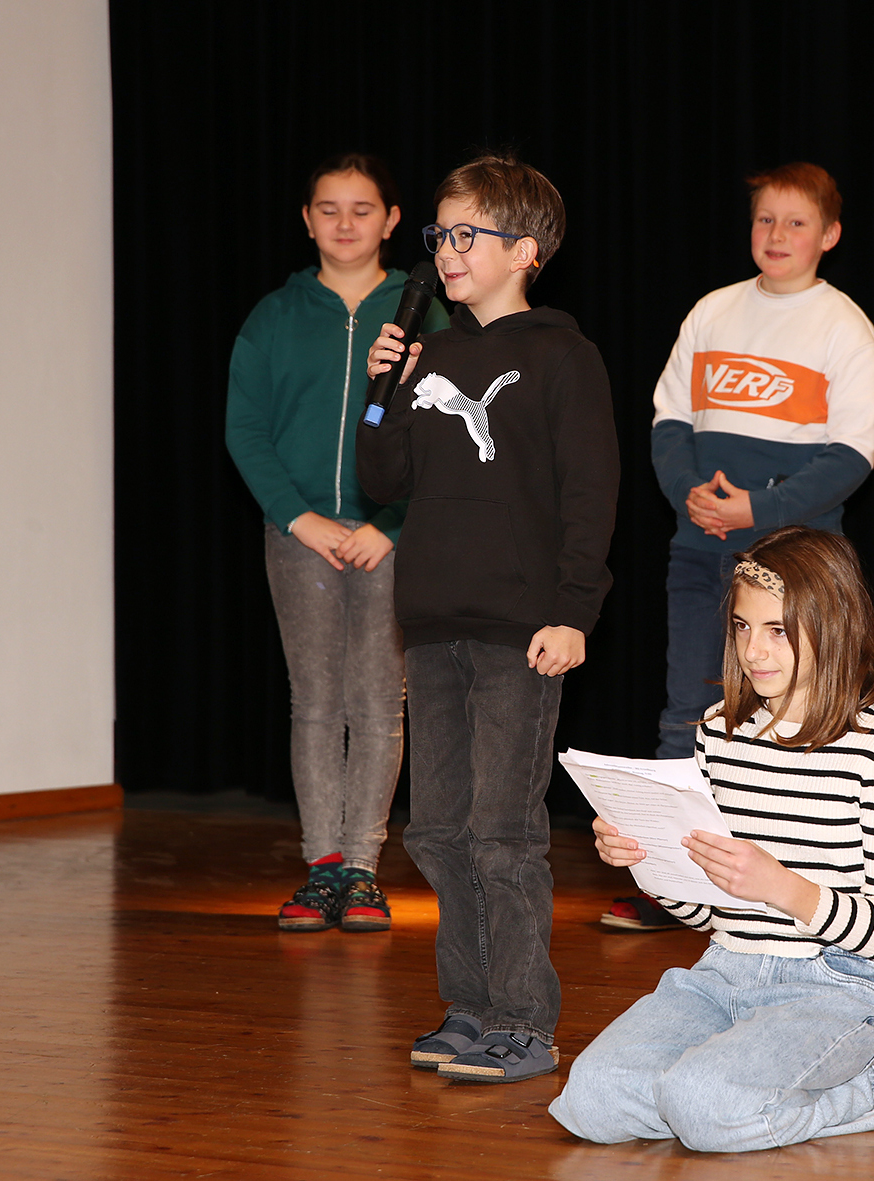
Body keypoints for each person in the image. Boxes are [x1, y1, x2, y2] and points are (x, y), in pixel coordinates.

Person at [358, 153, 620, 1080]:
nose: (446, 251)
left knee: (503, 833)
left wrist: (573, 609)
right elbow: (380, 480)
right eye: (441, 234)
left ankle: (524, 1021)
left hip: (519, 630)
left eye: (467, 234)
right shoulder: (430, 354)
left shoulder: (561, 355)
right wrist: (383, 392)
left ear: (526, 250)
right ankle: (468, 1007)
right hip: (433, 624)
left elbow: (590, 494)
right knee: (438, 829)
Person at [551, 526, 874, 1152]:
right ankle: (719, 1090)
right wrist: (647, 861)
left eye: (778, 630)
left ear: (832, 625)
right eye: (743, 627)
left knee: (704, 1106)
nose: (754, 650)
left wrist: (782, 887)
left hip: (836, 985)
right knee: (591, 1100)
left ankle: (856, 1092)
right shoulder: (720, 732)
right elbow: (709, 912)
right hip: (723, 971)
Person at [611, 162, 874, 934]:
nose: (777, 234)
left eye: (796, 222)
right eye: (766, 219)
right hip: (701, 551)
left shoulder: (844, 326)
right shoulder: (712, 311)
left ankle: (787, 879)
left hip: (794, 564)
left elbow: (851, 455)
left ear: (829, 235)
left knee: (793, 712)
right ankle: (671, 881)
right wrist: (691, 495)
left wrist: (758, 508)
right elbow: (669, 421)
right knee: (686, 710)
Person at [226, 153, 449, 934]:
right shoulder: (274, 316)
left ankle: (362, 869)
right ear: (306, 219)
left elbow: (447, 432)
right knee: (317, 703)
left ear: (392, 221)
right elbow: (245, 429)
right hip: (302, 538)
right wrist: (298, 517)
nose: (345, 223)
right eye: (329, 208)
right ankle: (321, 865)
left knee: (382, 704)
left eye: (362, 209)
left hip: (392, 541)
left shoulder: (427, 316)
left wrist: (391, 524)